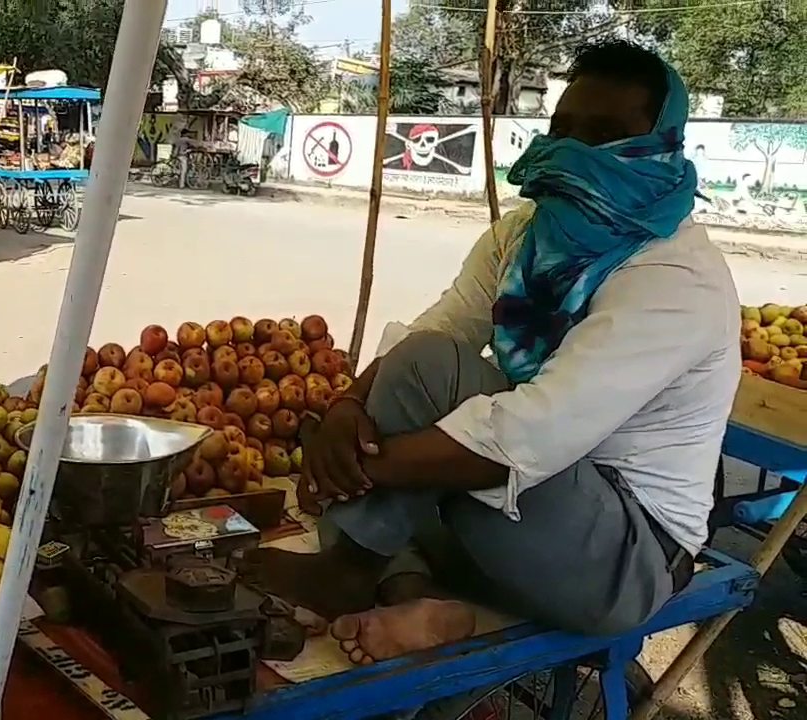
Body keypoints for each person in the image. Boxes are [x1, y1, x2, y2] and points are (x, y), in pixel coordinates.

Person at [244, 41, 740, 666]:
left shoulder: (673, 275)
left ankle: (348, 571)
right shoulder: (525, 235)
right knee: (414, 384)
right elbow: (441, 327)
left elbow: (530, 433)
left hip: (622, 558)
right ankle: (414, 599)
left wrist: (357, 464)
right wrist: (347, 407)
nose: (572, 152)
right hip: (523, 522)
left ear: (660, 152)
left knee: (414, 418)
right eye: (563, 130)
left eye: (605, 135)